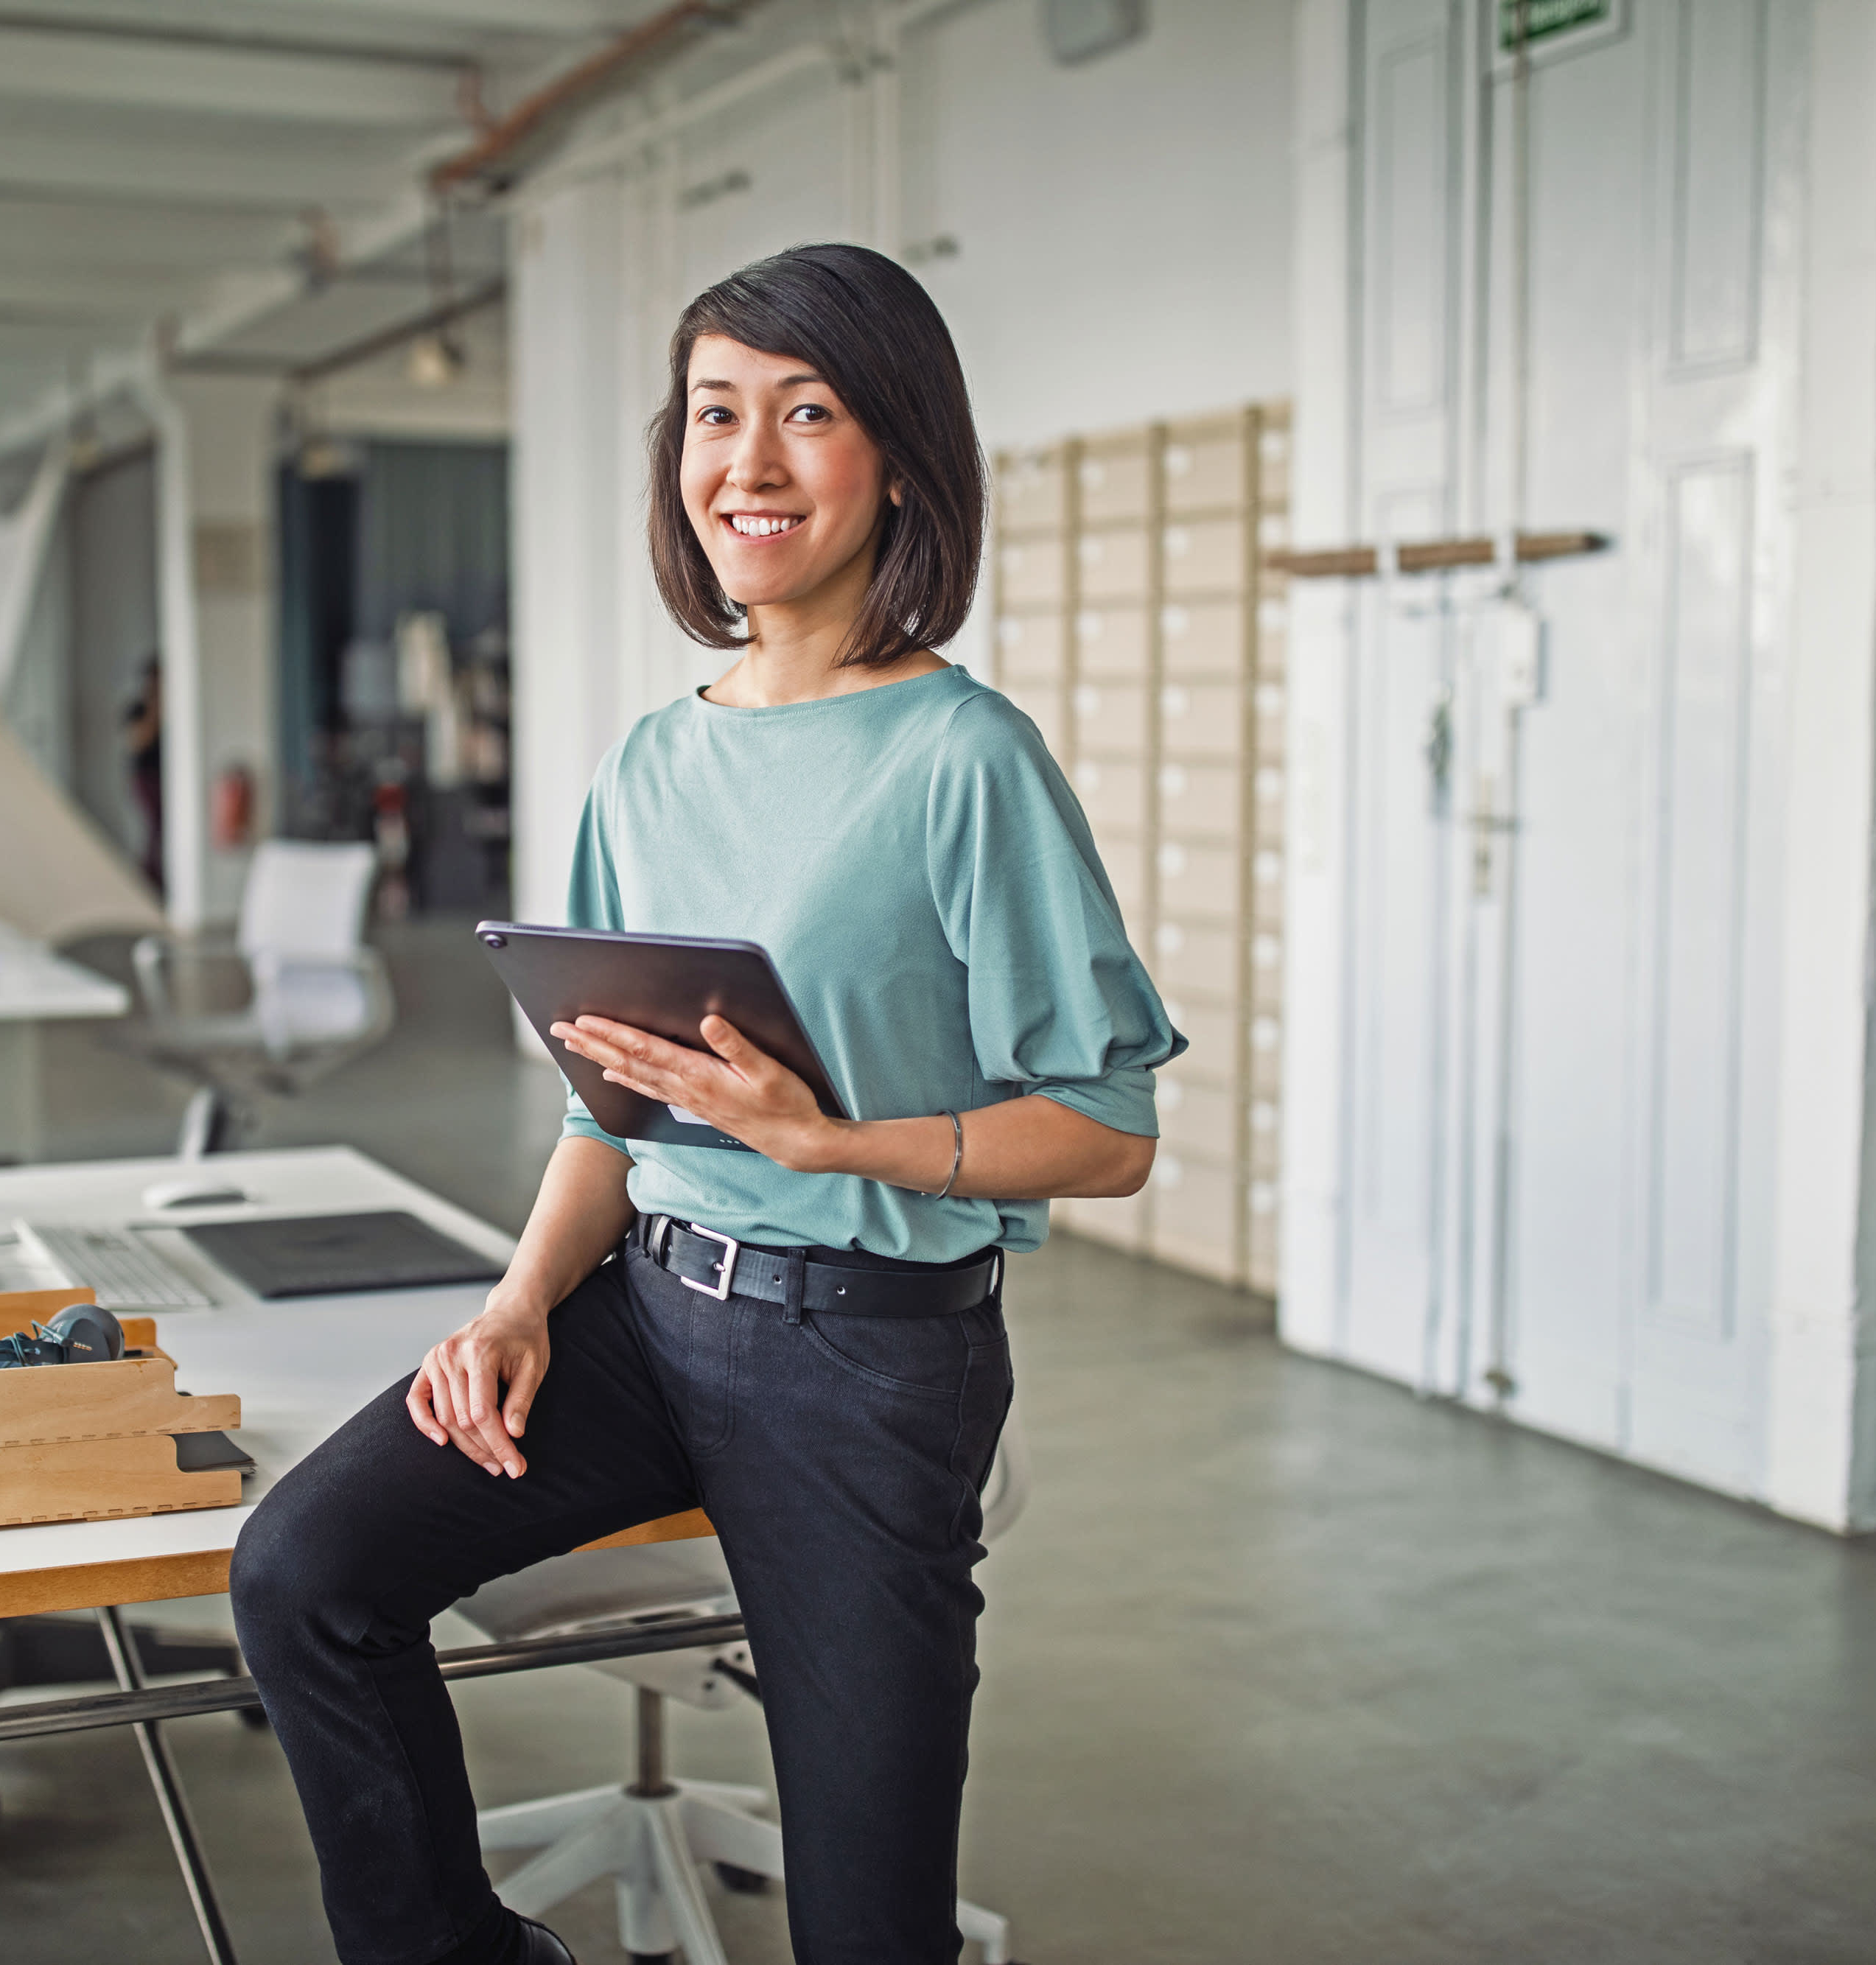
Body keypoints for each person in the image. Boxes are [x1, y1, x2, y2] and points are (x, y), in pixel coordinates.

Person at [231, 242, 1182, 1965]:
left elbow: (1107, 1124)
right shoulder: (648, 763)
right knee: (307, 1568)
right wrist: (518, 1302)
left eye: (806, 414)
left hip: (867, 1362)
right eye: (714, 415)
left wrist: (834, 1140)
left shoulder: (962, 760)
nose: (747, 462)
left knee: (867, 1922)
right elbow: (614, 1109)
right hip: (645, 1315)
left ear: (895, 454)